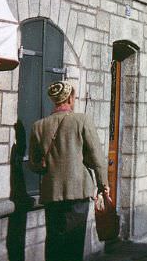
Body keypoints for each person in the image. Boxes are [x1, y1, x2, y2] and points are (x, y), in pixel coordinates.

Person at [28, 81, 108, 261]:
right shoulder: (82, 120)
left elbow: (34, 165)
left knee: (54, 242)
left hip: (52, 193)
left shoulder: (38, 126)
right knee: (74, 244)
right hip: (77, 191)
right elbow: (97, 157)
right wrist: (104, 185)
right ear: (70, 98)